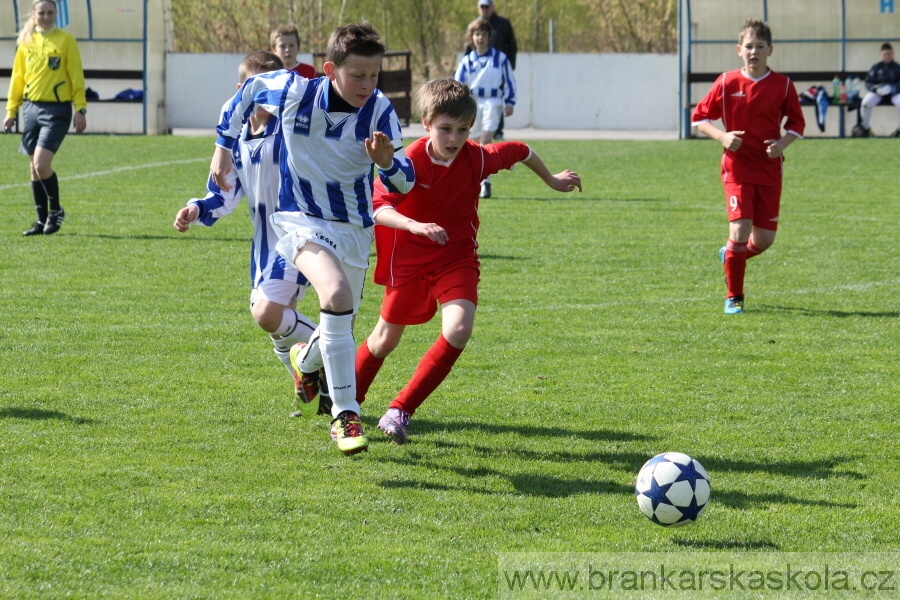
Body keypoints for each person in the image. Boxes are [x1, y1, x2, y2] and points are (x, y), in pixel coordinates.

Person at [211, 22, 415, 455]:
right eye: (358, 74)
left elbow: (404, 184)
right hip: (301, 220)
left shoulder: (379, 111)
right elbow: (244, 94)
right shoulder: (293, 91)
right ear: (329, 69)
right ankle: (345, 415)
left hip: (355, 231)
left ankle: (304, 362)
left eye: (374, 75)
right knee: (336, 294)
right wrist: (223, 146)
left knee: (338, 325)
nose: (367, 84)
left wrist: (386, 164)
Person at [355, 79, 581, 445]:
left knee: (458, 329)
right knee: (383, 341)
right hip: (410, 263)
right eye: (445, 128)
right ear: (426, 123)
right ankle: (346, 403)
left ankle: (399, 410)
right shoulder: (409, 162)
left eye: (462, 129)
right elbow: (379, 209)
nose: (454, 138)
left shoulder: (475, 157)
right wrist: (415, 225)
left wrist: (552, 179)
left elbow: (521, 150)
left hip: (456, 257)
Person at [172, 51, 329, 419]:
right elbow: (225, 194)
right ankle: (319, 393)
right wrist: (196, 209)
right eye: (257, 87)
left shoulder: (291, 130)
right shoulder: (238, 138)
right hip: (263, 246)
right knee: (277, 326)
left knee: (267, 312)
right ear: (242, 90)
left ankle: (335, 357)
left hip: (297, 237)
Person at [691, 18, 805, 315]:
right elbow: (699, 118)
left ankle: (729, 254)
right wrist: (722, 136)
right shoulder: (727, 82)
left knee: (763, 240)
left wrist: (782, 143)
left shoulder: (783, 85)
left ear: (771, 50)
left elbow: (796, 124)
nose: (754, 51)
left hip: (769, 169)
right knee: (740, 231)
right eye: (749, 46)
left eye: (760, 46)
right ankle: (734, 297)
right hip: (737, 168)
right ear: (738, 49)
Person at [4, 0, 86, 236]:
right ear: (34, 14)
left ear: (56, 14)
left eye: (50, 12)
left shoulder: (66, 40)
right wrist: (11, 111)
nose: (47, 16)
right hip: (31, 109)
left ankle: (56, 210)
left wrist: (80, 108)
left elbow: (76, 75)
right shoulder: (26, 41)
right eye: (42, 12)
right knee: (33, 168)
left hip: (57, 111)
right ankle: (41, 222)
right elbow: (17, 78)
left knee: (41, 164)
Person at [454, 18, 516, 199]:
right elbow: (458, 84)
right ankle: (470, 179)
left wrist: (510, 101)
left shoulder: (500, 58)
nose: (480, 38)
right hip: (473, 101)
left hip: (493, 101)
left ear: (489, 37)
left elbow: (510, 81)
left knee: (486, 139)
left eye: (483, 34)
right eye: (477, 34)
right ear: (471, 37)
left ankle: (485, 183)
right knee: (471, 141)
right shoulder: (467, 61)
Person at [472, 0, 517, 140]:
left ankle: (498, 131)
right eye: (482, 7)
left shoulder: (503, 24)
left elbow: (512, 46)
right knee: (473, 136)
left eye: (487, 6)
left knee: (489, 131)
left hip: (497, 71)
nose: (485, 9)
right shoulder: (474, 25)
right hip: (475, 93)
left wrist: (509, 65)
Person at [858, 42, 900, 138]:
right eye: (885, 54)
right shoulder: (876, 67)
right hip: (878, 93)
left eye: (889, 54)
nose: (887, 56)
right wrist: (875, 89)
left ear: (893, 54)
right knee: (865, 103)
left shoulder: (897, 67)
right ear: (881, 55)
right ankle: (866, 129)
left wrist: (894, 88)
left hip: (894, 93)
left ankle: (899, 131)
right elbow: (868, 82)